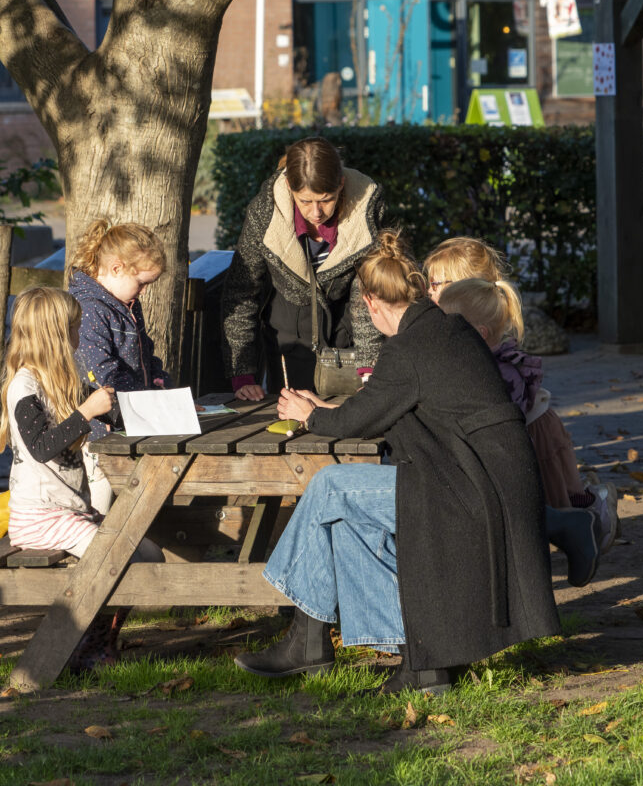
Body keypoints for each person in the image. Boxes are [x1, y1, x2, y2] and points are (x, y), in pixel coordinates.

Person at [233, 230, 562, 693]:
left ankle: (303, 638)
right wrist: (322, 411)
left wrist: (310, 415)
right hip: (481, 481)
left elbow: (358, 419)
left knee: (330, 488)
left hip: (472, 492)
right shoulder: (442, 330)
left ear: (370, 302)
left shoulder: (409, 349)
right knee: (347, 525)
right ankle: (419, 660)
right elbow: (380, 409)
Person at [0, 286, 163, 671]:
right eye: (74, 326)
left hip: (70, 512)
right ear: (56, 334)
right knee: (115, 558)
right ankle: (84, 647)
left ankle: (101, 639)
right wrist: (86, 412)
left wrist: (156, 408)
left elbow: (115, 412)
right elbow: (42, 446)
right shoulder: (25, 386)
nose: (79, 333)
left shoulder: (63, 380)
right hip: (38, 518)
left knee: (148, 553)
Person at [425, 236, 618, 552]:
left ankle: (598, 507)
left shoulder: (491, 350)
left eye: (435, 284)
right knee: (552, 502)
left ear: (463, 287)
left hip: (532, 433)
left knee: (561, 500)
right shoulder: (461, 333)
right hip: (520, 433)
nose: (428, 292)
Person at [221, 137, 386, 400]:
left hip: (350, 341)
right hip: (288, 342)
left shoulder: (368, 211)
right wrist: (243, 374)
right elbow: (242, 291)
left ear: (341, 184)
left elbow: (369, 295)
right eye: (305, 201)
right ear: (289, 187)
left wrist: (368, 369)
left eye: (326, 199)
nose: (317, 213)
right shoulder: (263, 214)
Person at [68, 218, 170, 512]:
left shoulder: (125, 303)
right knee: (100, 504)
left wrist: (162, 386)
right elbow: (102, 374)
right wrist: (150, 403)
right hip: (100, 434)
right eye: (142, 283)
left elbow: (145, 353)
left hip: (129, 420)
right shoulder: (89, 309)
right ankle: (92, 556)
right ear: (116, 268)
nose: (144, 292)